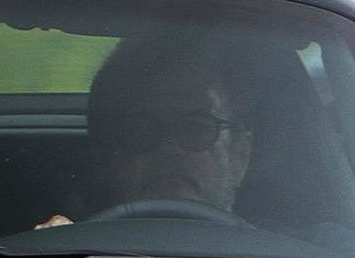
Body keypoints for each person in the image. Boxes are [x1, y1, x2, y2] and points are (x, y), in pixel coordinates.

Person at [39, 39, 252, 226]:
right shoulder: (60, 249)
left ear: (240, 156)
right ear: (101, 157)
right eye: (140, 129)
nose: (169, 147)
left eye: (196, 128)